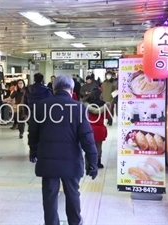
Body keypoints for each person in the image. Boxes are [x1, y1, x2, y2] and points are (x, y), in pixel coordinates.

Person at [28, 75, 98, 225]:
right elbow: (87, 137)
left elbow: (33, 133)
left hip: (48, 160)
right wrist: (92, 162)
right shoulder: (78, 108)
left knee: (49, 196)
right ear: (71, 89)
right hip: (71, 160)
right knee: (73, 194)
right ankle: (75, 222)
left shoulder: (41, 106)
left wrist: (34, 151)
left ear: (54, 88)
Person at [83, 88, 110, 169]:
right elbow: (106, 117)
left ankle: (88, 164)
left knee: (89, 147)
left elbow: (84, 117)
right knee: (98, 147)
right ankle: (98, 163)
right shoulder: (104, 105)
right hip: (99, 129)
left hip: (89, 128)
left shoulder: (87, 105)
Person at [24, 72, 53, 148]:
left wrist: (26, 113)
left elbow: (25, 103)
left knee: (32, 132)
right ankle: (42, 148)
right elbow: (51, 103)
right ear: (42, 80)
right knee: (43, 131)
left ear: (34, 79)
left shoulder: (28, 90)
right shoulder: (47, 91)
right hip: (44, 114)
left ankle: (33, 149)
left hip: (31, 113)